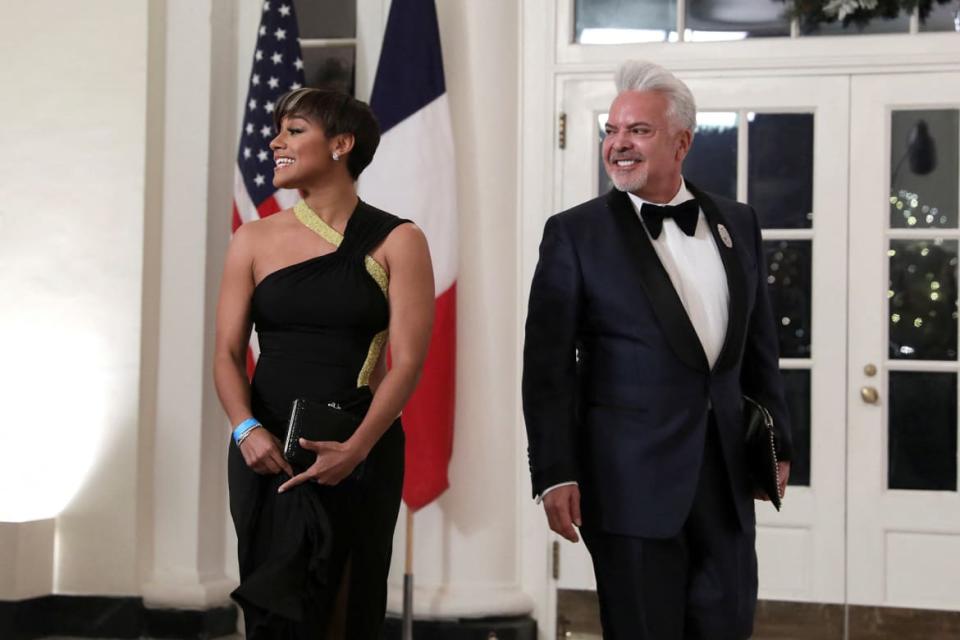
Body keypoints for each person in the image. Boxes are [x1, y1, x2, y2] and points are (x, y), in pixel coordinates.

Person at [522, 60, 793, 639]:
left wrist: (780, 440)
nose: (619, 145)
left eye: (637, 131)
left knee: (727, 624)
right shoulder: (574, 233)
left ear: (682, 142)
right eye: (612, 131)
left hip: (725, 480)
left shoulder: (736, 222)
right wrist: (554, 471)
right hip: (625, 482)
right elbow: (546, 368)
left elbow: (759, 347)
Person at [213, 88, 434, 639]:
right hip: (263, 452)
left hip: (358, 451)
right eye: (278, 130)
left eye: (294, 130)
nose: (276, 141)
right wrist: (246, 430)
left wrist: (355, 451)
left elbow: (407, 362)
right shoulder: (252, 239)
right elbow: (225, 353)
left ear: (341, 144)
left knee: (344, 611)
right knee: (274, 613)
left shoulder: (399, 239)